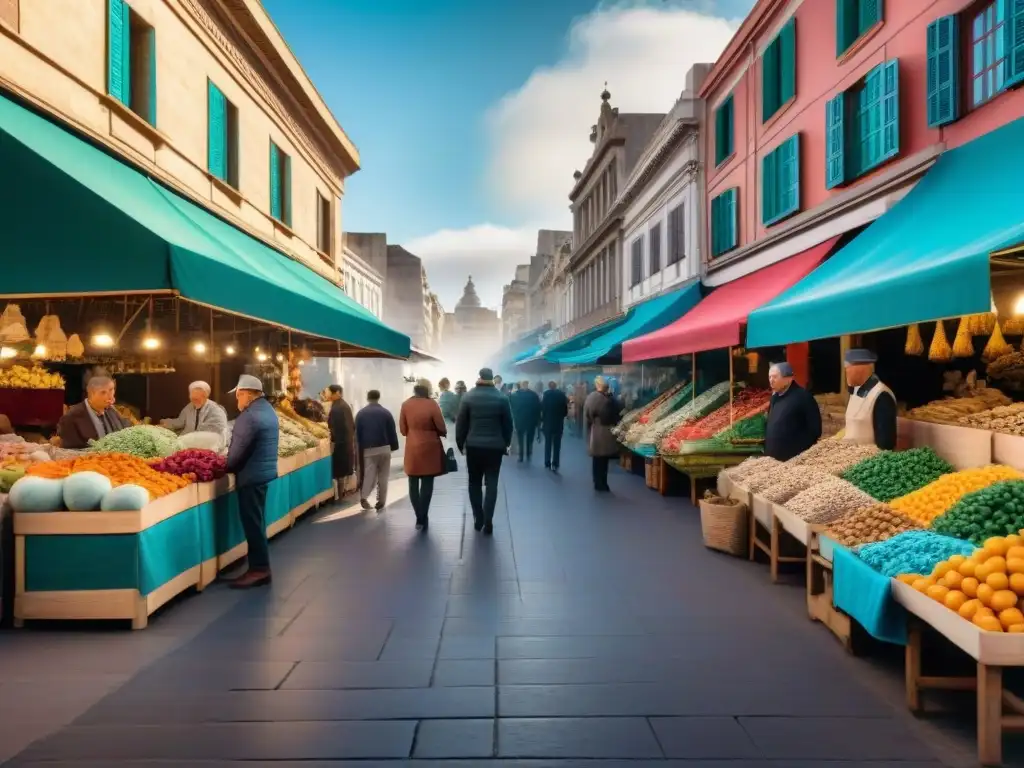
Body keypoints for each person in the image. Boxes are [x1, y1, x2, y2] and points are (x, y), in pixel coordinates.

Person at [224, 374, 279, 589]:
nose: (237, 401)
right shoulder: (268, 410)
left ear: (245, 394)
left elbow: (236, 453)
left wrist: (226, 466)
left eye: (238, 396)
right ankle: (259, 567)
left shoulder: (249, 416)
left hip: (251, 476)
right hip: (262, 473)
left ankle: (259, 569)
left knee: (253, 524)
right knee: (257, 521)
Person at [456, 368, 513, 535]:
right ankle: (489, 520)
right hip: (495, 447)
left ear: (479, 377)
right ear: (492, 378)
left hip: (473, 446)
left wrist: (461, 445)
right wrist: (506, 443)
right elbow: (508, 424)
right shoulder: (502, 398)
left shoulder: (468, 397)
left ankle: (478, 517)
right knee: (492, 483)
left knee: (474, 483)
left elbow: (461, 424)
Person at [400, 379, 447, 531]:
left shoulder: (406, 404)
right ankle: (423, 516)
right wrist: (440, 432)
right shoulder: (432, 404)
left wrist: (413, 433)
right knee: (427, 483)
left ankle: (419, 516)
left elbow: (402, 429)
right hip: (430, 447)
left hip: (412, 447)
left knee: (413, 483)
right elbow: (441, 426)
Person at [764, 362, 822, 461]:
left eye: (775, 377)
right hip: (771, 461)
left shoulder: (804, 397)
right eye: (769, 377)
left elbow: (815, 430)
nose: (771, 381)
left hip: (794, 461)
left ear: (788, 379)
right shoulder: (774, 398)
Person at [843, 348, 897, 450]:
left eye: (848, 367)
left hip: (869, 463)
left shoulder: (882, 395)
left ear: (861, 368)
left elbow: (886, 444)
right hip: (849, 459)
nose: (846, 371)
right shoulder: (854, 392)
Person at [355, 389, 399, 511]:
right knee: (384, 476)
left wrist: (359, 449)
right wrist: (394, 447)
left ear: (367, 398)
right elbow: (392, 432)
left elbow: (357, 434)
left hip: (369, 449)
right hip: (385, 448)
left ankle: (364, 497)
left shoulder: (361, 414)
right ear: (378, 398)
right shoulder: (386, 413)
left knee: (369, 474)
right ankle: (381, 501)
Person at [56, 375, 130, 449]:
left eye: (111, 390)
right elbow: (71, 450)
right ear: (92, 394)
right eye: (103, 392)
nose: (110, 396)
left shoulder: (112, 411)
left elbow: (125, 433)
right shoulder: (72, 417)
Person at [584, 376, 621, 492]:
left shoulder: (591, 397)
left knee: (597, 459)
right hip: (606, 431)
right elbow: (615, 413)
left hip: (596, 430)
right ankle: (603, 483)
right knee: (604, 460)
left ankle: (597, 482)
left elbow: (588, 414)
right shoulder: (608, 399)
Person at [160, 381, 228, 438]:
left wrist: (192, 438)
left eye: (197, 399)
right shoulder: (189, 407)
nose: (194, 401)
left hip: (205, 444)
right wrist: (165, 423)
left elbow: (215, 432)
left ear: (205, 396)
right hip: (186, 442)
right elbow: (180, 422)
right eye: (192, 398)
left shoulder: (216, 410)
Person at [326, 384, 355, 501]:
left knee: (340, 471)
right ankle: (341, 493)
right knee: (341, 471)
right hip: (345, 442)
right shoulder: (342, 405)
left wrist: (334, 441)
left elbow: (337, 427)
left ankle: (340, 495)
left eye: (329, 393)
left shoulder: (339, 407)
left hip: (341, 443)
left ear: (337, 393)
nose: (328, 395)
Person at [510, 379, 542, 462]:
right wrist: (538, 420)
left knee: (521, 439)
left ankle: (521, 456)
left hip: (520, 420)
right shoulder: (533, 395)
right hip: (530, 420)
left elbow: (512, 408)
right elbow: (538, 408)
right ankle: (528, 454)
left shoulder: (515, 395)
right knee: (529, 439)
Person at [540, 380, 569, 471]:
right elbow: (565, 410)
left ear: (549, 386)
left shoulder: (546, 395)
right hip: (558, 423)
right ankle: (555, 463)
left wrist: (542, 419)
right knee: (557, 444)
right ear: (556, 386)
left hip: (548, 423)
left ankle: (547, 462)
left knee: (548, 443)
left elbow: (542, 408)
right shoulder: (561, 395)